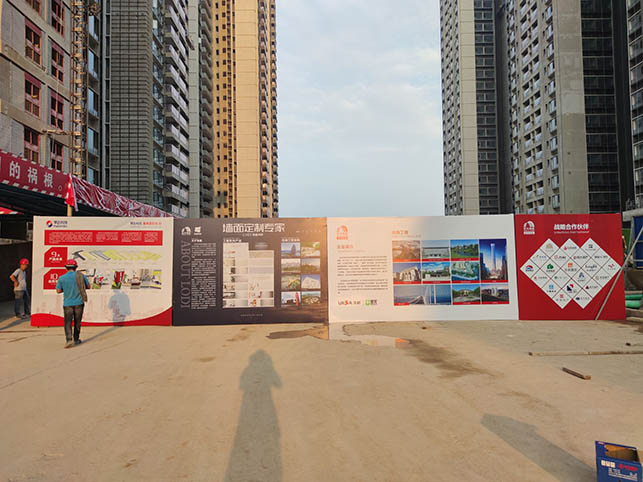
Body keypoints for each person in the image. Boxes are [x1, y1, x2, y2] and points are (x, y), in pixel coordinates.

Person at [56, 259, 90, 349]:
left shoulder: (62, 278)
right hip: (79, 303)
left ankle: (68, 340)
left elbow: (58, 290)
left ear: (66, 268)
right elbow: (88, 286)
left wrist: (65, 289)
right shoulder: (81, 276)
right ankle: (76, 339)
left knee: (67, 322)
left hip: (67, 304)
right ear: (76, 268)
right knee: (77, 322)